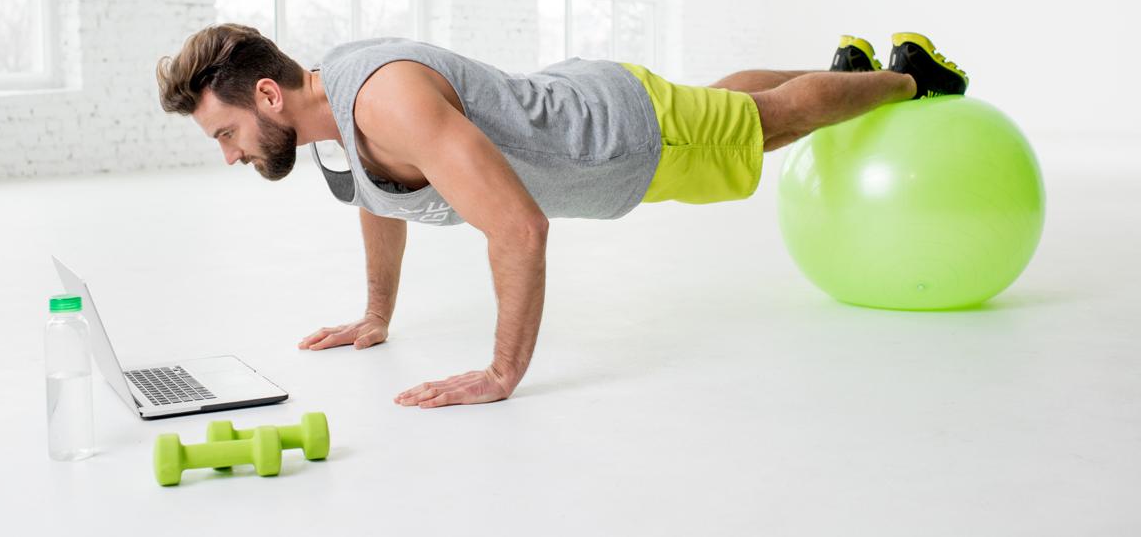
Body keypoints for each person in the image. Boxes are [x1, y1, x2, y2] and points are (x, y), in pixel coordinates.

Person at [155, 26, 968, 409]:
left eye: (225, 134)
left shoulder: (386, 97)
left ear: (266, 94)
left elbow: (517, 227)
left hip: (620, 135)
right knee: (729, 101)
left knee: (770, 123)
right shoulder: (331, 119)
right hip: (595, 117)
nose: (230, 154)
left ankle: (910, 80)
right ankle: (847, 69)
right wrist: (375, 316)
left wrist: (502, 373)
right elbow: (379, 199)